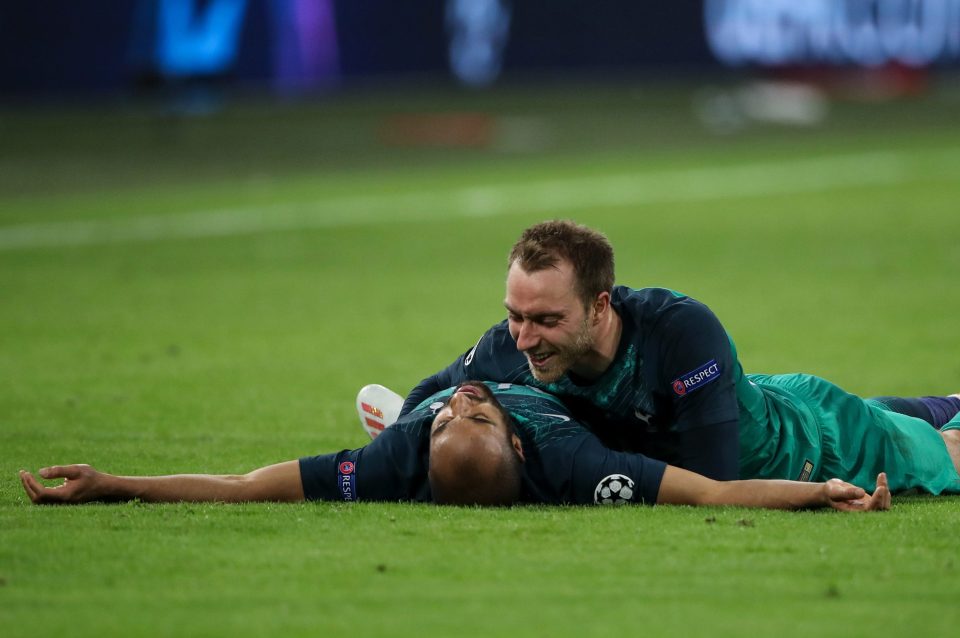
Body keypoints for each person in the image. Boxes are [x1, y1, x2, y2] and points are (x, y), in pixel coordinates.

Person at [400, 220, 960, 489]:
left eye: (546, 320)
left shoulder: (681, 334)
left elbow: (710, 484)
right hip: (755, 398)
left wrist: (552, 465)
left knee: (949, 452)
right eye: (514, 315)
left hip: (816, 445)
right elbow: (430, 396)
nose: (523, 339)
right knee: (924, 410)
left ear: (599, 306)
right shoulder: (513, 342)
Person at [19, 381, 893, 511]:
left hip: (488, 368)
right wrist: (820, 495)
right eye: (459, 421)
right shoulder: (573, 462)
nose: (463, 410)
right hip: (560, 393)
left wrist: (115, 480)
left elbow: (247, 485)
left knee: (412, 395)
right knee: (889, 419)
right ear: (514, 448)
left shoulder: (400, 457)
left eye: (454, 420)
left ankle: (402, 392)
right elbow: (709, 492)